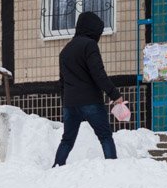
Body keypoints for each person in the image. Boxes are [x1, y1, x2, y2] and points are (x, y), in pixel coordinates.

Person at [54, 10, 127, 166]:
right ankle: (113, 168)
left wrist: (65, 102)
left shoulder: (65, 51)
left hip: (70, 104)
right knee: (105, 136)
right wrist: (115, 95)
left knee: (67, 140)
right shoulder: (89, 45)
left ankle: (56, 168)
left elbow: (62, 82)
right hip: (90, 101)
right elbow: (98, 74)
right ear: (93, 30)